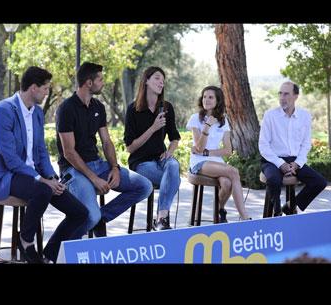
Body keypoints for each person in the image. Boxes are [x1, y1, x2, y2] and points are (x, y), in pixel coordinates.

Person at [0, 66, 89, 264]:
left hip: (33, 176)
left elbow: (41, 152)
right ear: (33, 88)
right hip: (6, 175)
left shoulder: (37, 112)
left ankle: (48, 255)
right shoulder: (3, 111)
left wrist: (53, 178)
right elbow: (10, 160)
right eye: (45, 88)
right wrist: (42, 180)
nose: (47, 92)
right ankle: (25, 240)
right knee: (43, 191)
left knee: (80, 213)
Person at [56, 62, 152, 237]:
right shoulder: (66, 109)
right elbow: (68, 152)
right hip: (73, 170)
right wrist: (93, 179)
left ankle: (102, 217)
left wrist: (114, 167)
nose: (103, 82)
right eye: (100, 79)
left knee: (144, 186)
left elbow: (106, 142)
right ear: (88, 83)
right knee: (89, 217)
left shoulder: (98, 107)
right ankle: (60, 250)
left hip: (98, 165)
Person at [124, 66, 181, 230]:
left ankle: (161, 218)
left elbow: (175, 137)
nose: (161, 82)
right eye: (157, 78)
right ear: (146, 81)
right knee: (173, 178)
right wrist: (153, 128)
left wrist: (169, 152)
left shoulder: (167, 108)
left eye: (163, 80)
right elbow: (130, 148)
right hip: (141, 163)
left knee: (173, 165)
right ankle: (162, 221)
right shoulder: (133, 109)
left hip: (161, 159)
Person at [259, 81, 327, 217]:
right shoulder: (270, 115)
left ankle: (291, 206)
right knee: (273, 179)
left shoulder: (305, 116)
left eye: (286, 94)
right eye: (280, 94)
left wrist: (297, 164)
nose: (282, 97)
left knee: (319, 182)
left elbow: (306, 144)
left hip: (295, 161)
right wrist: (281, 164)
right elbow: (263, 145)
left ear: (296, 96)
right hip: (272, 159)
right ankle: (276, 213)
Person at [186, 85, 251, 222]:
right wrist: (207, 126)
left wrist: (207, 152)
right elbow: (198, 148)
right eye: (204, 97)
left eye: (210, 97)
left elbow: (228, 150)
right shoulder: (195, 118)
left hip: (215, 161)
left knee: (227, 183)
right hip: (199, 162)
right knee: (233, 172)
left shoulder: (223, 121)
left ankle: (219, 210)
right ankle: (245, 217)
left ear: (218, 101)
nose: (206, 100)